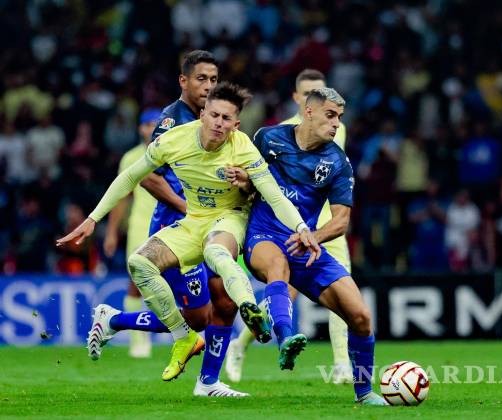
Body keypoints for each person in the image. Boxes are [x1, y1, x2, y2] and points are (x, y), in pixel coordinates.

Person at [56, 82, 320, 387]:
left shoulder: (243, 147)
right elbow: (130, 177)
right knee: (139, 264)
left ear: (236, 125)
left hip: (230, 218)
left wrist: (302, 228)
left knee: (216, 252)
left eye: (226, 119)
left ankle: (249, 307)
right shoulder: (174, 139)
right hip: (193, 220)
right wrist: (93, 219)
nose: (219, 123)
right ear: (203, 114)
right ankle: (183, 337)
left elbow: (274, 195)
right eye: (214, 115)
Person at [90, 51, 251, 397]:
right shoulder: (171, 121)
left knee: (225, 302)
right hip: (178, 229)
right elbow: (148, 177)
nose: (208, 86)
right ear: (184, 81)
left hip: (213, 227)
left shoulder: (215, 118)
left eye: (213, 79)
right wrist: (187, 208)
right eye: (201, 79)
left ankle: (208, 382)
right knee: (198, 318)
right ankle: (114, 319)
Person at [233, 88, 386, 405]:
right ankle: (285, 338)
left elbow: (341, 220)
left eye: (339, 117)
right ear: (309, 111)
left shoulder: (337, 162)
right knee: (278, 266)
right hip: (264, 235)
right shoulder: (268, 138)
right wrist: (244, 182)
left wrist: (315, 236)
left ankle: (364, 393)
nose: (336, 124)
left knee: (360, 316)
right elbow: (247, 181)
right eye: (330, 115)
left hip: (306, 246)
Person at [225, 69, 352, 385]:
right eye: (308, 92)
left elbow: (336, 175)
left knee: (343, 291)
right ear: (299, 99)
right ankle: (241, 344)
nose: (333, 119)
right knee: (286, 292)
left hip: (326, 225)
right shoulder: (276, 135)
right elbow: (257, 182)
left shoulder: (337, 129)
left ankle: (342, 365)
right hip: (285, 229)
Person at [102, 108, 161, 358]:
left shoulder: (175, 152)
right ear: (140, 128)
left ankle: (185, 335)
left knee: (180, 281)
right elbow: (122, 197)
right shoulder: (131, 157)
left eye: (155, 124)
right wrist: (111, 232)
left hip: (171, 225)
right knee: (137, 283)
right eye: (147, 124)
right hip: (139, 225)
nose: (151, 129)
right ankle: (139, 342)